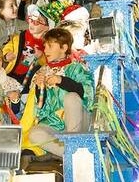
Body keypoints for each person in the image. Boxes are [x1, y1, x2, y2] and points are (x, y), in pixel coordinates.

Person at [25, 28, 91, 158]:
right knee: (34, 134)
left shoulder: (76, 67)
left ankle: (71, 144)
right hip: (55, 123)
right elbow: (41, 107)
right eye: (45, 46)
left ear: (64, 47)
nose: (46, 50)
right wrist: (40, 88)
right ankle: (70, 153)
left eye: (50, 46)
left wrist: (61, 80)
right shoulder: (43, 70)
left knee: (71, 97)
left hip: (78, 121)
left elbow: (86, 92)